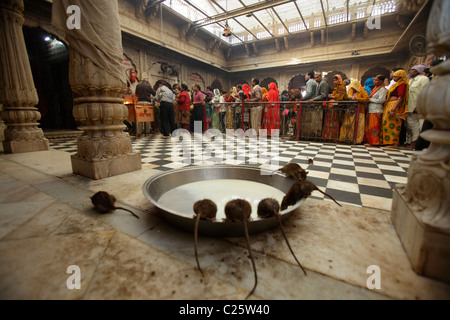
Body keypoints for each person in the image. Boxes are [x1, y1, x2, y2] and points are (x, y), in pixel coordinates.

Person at [382, 69, 409, 148]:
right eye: (394, 77)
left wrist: (393, 109)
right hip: (390, 105)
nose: (394, 78)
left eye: (396, 77)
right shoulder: (396, 84)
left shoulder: (402, 84)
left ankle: (393, 143)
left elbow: (400, 97)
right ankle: (389, 142)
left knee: (393, 124)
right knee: (387, 123)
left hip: (394, 106)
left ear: (401, 77)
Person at [405, 64, 430, 149]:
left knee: (418, 125)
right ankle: (411, 141)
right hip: (409, 106)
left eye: (414, 70)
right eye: (411, 70)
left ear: (419, 71)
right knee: (409, 124)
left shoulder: (423, 79)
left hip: (417, 106)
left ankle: (416, 142)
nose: (411, 71)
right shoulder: (410, 80)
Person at [365, 74, 388, 146]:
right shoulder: (375, 88)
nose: (374, 81)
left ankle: (375, 142)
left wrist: (370, 99)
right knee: (370, 127)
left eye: (376, 80)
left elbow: (381, 100)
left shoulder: (382, 89)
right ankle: (370, 141)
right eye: (374, 80)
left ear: (381, 81)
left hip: (377, 110)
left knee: (375, 127)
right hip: (371, 109)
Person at [323, 75, 348, 142]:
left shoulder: (342, 86)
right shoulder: (336, 87)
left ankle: (333, 137)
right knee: (330, 121)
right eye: (334, 80)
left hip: (337, 108)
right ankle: (328, 136)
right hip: (332, 108)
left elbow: (340, 97)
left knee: (335, 122)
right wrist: (330, 96)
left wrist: (333, 97)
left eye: (336, 80)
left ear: (339, 80)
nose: (334, 82)